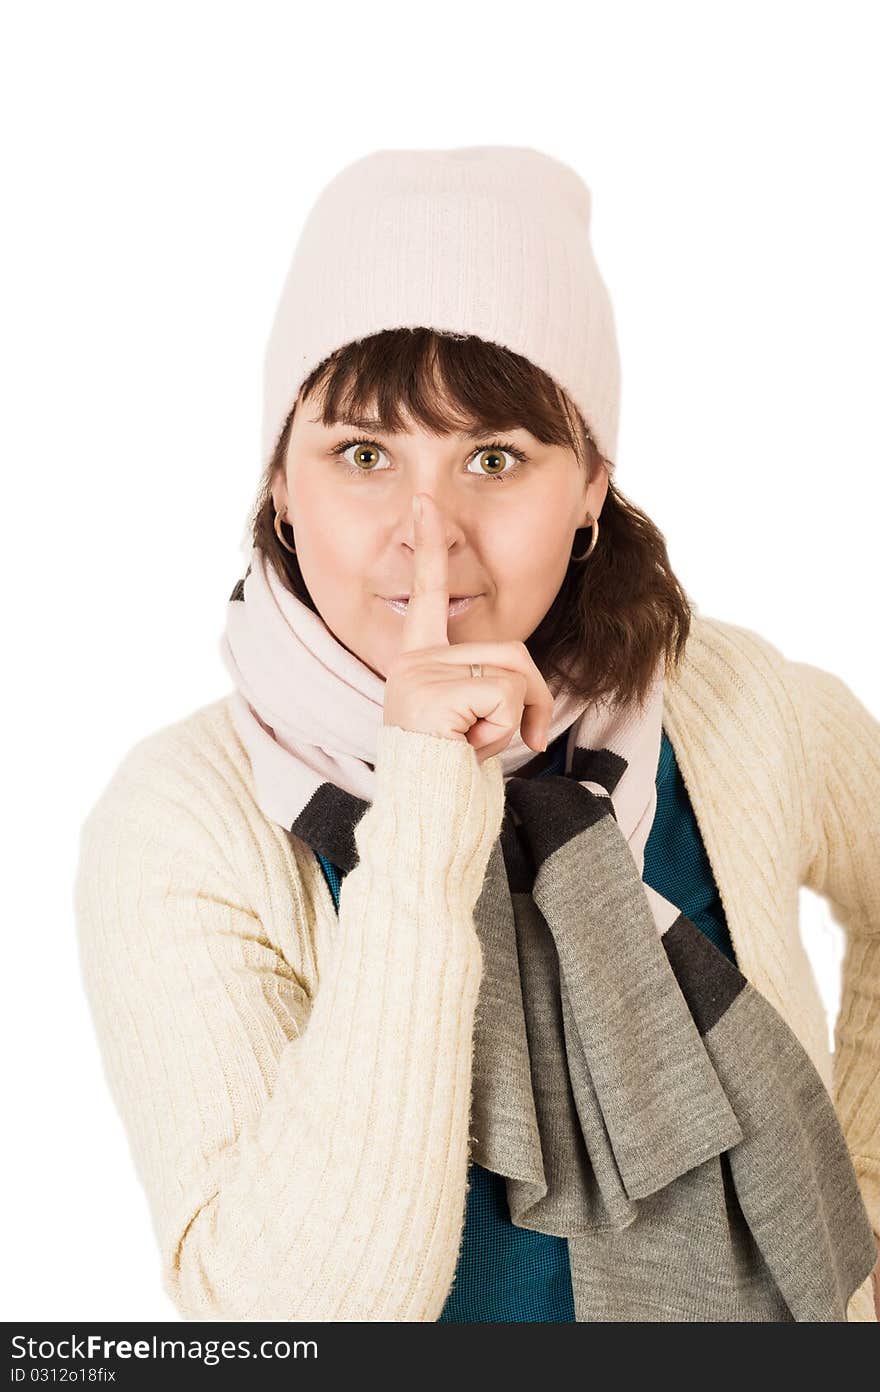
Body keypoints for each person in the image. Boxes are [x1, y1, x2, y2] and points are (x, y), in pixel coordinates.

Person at [73, 146, 880, 1322]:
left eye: (493, 459)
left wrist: (856, 1193)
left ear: (591, 485)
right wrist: (426, 806)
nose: (427, 539)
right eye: (362, 456)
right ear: (281, 489)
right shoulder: (182, 820)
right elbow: (282, 1323)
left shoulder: (734, 703)